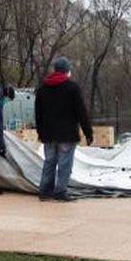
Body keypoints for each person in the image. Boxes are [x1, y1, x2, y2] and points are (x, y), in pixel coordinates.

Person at [34, 57, 93, 202]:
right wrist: (88, 132)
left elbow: (38, 113)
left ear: (55, 70)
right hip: (67, 134)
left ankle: (44, 192)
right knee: (64, 163)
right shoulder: (72, 88)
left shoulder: (42, 89)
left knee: (49, 162)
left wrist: (40, 132)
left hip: (48, 133)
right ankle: (60, 191)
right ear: (67, 70)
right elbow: (81, 111)